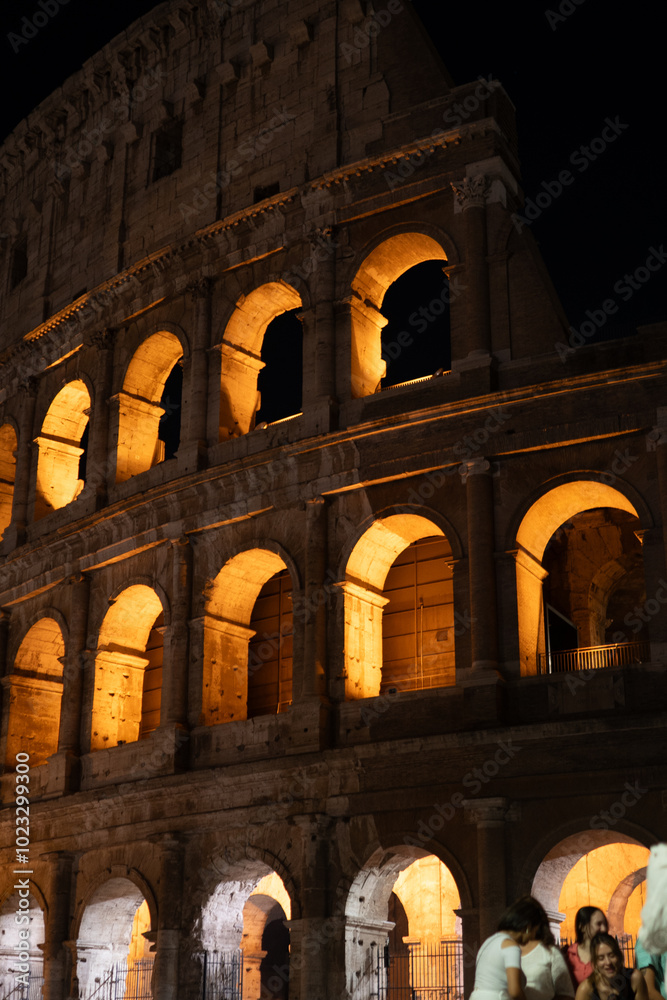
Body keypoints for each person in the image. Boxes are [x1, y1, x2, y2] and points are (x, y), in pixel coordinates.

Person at [471, 896, 548, 1000]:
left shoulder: (489, 942)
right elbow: (515, 992)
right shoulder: (511, 947)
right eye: (535, 931)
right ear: (528, 927)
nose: (533, 937)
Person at [575, 933, 647, 1000]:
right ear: (595, 963)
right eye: (601, 958)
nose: (608, 962)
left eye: (612, 955)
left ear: (619, 956)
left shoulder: (634, 978)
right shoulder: (585, 990)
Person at [563, 908, 609, 986]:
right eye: (598, 924)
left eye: (605, 924)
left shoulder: (608, 953)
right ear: (582, 927)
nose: (604, 929)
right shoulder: (568, 955)